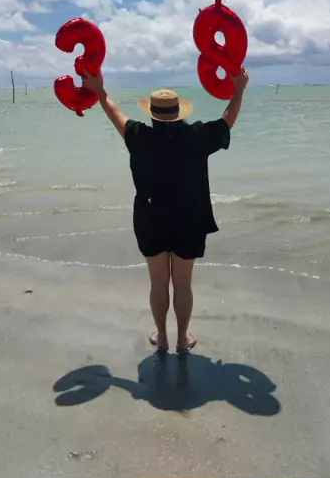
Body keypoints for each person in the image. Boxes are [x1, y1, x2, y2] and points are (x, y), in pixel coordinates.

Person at [81, 67, 250, 354]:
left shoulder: (138, 136)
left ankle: (162, 337)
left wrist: (98, 90)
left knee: (158, 283)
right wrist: (239, 89)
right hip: (190, 219)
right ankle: (182, 339)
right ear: (179, 113)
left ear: (152, 115)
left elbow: (114, 112)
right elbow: (227, 120)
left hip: (150, 218)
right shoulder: (198, 136)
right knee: (183, 284)